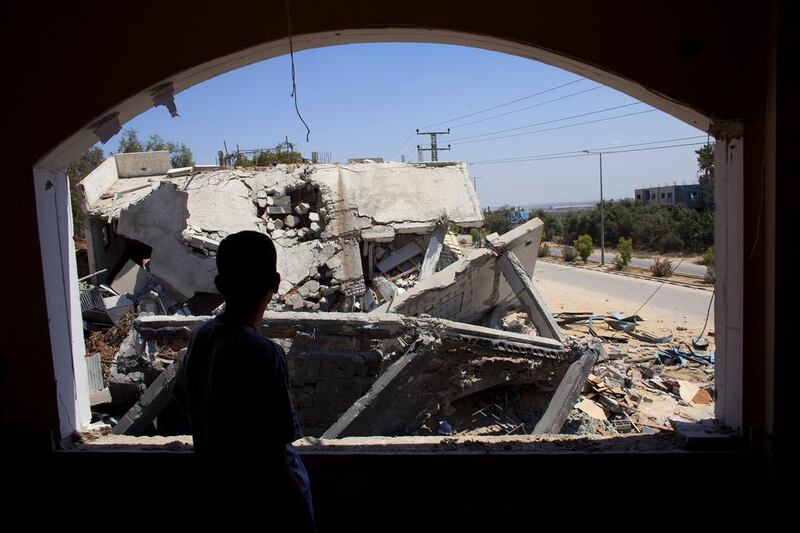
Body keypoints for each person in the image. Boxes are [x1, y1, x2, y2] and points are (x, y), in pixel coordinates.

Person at [174, 230, 316, 530]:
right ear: (275, 284)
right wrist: (302, 518)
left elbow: (186, 402)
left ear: (219, 285)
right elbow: (275, 456)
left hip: (221, 505)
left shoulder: (201, 338)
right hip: (265, 512)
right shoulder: (262, 353)